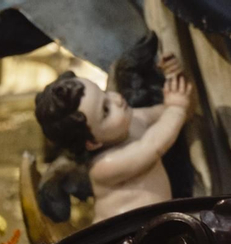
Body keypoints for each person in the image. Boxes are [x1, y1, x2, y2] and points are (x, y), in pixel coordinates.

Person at [33, 52, 194, 223]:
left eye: (105, 93)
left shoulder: (132, 120)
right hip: (127, 241)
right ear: (93, 143)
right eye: (106, 110)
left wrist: (173, 78)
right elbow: (154, 145)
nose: (116, 99)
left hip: (159, 228)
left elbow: (181, 113)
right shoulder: (104, 166)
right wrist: (176, 107)